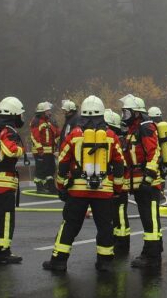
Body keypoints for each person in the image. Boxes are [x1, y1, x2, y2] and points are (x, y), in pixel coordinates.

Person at [43, 95, 125, 273]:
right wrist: (117, 190)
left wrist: (61, 186)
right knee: (105, 226)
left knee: (70, 225)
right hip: (104, 191)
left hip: (77, 191)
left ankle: (58, 262)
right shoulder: (111, 136)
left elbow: (63, 161)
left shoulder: (74, 135)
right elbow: (120, 164)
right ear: (102, 115)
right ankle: (105, 263)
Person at [121, 94, 163, 269]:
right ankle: (153, 251)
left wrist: (148, 179)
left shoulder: (146, 128)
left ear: (136, 113)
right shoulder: (134, 130)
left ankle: (151, 256)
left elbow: (154, 154)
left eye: (127, 112)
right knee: (148, 219)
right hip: (140, 184)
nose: (124, 116)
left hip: (149, 184)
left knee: (150, 219)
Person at [0, 97, 26, 264]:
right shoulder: (7, 131)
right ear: (14, 114)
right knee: (5, 218)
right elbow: (10, 150)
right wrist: (21, 150)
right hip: (4, 183)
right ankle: (2, 252)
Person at [105, 108, 131, 255]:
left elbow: (119, 165)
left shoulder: (117, 140)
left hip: (119, 185)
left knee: (119, 214)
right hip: (114, 185)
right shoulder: (117, 139)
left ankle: (122, 245)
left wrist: (117, 187)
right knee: (114, 215)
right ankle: (116, 241)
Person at [30, 101, 59, 194]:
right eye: (47, 111)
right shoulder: (36, 121)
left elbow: (56, 134)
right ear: (42, 112)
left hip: (49, 151)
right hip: (40, 151)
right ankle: (40, 187)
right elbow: (34, 136)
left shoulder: (49, 121)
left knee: (51, 169)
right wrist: (40, 149)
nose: (49, 113)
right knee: (41, 170)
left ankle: (50, 186)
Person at [147, 106, 167, 187]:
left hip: (157, 158)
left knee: (156, 177)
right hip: (163, 158)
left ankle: (157, 193)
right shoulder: (163, 128)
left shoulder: (151, 128)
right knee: (161, 177)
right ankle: (161, 192)